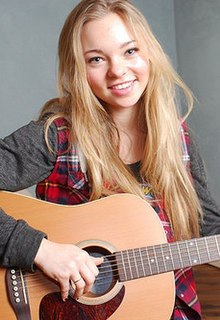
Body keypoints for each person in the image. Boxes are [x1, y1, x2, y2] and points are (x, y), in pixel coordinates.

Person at [0, 0, 220, 319]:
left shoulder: (177, 136)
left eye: (130, 51)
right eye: (97, 59)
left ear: (149, 53)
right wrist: (39, 250)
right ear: (78, 69)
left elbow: (207, 225)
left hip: (170, 306)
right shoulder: (57, 135)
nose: (118, 70)